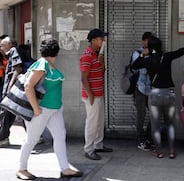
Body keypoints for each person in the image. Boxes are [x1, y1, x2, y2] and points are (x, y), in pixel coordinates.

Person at [131, 29, 184, 159]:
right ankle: (172, 151)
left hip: (154, 94)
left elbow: (134, 65)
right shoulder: (167, 56)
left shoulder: (147, 60)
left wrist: (143, 54)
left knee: (155, 126)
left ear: (149, 48)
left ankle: (159, 151)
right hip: (169, 93)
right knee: (170, 124)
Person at [16, 38, 83, 180]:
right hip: (41, 110)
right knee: (31, 139)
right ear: (56, 52)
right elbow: (28, 86)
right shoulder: (42, 65)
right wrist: (36, 109)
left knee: (60, 136)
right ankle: (21, 169)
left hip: (54, 109)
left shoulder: (48, 65)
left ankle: (64, 168)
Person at [80, 29, 113, 161]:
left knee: (99, 121)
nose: (103, 41)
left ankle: (98, 145)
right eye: (101, 39)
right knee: (92, 123)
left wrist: (101, 62)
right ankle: (89, 149)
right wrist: (91, 96)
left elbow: (101, 72)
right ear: (93, 40)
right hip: (92, 95)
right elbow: (83, 79)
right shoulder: (87, 56)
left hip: (98, 94)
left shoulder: (97, 55)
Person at [131, 32, 154, 151]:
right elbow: (135, 66)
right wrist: (143, 56)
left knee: (154, 114)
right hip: (139, 88)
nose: (149, 44)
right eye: (147, 41)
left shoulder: (154, 53)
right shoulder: (137, 53)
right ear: (143, 41)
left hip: (151, 88)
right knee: (141, 114)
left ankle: (148, 137)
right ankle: (141, 140)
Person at [0, 37, 24, 146]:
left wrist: (10, 85)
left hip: (12, 89)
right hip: (16, 89)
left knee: (5, 113)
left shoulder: (14, 51)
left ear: (9, 44)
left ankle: (3, 138)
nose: (1, 48)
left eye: (2, 45)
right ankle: (37, 137)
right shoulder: (16, 52)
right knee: (17, 113)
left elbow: (18, 68)